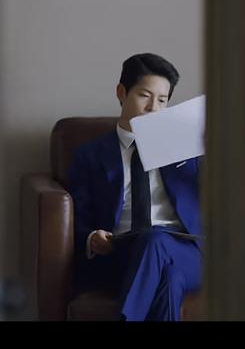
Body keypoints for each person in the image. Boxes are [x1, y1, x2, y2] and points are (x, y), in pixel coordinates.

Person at [68, 53, 202, 321]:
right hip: (124, 254)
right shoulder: (91, 155)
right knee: (169, 279)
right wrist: (92, 237)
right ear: (121, 92)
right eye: (145, 96)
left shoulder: (185, 146)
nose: (153, 108)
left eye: (162, 100)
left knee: (156, 240)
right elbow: (79, 217)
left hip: (187, 251)